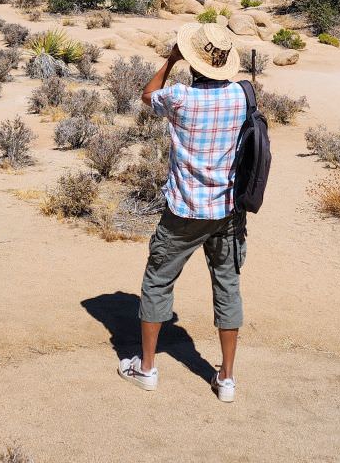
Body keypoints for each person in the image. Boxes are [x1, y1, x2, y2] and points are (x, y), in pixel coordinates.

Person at [118, 21, 248, 403]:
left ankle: (146, 369)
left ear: (193, 61)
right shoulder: (241, 97)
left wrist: (171, 58)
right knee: (227, 287)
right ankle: (225, 378)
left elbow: (147, 95)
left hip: (184, 210)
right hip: (227, 210)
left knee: (158, 281)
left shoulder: (180, 98)